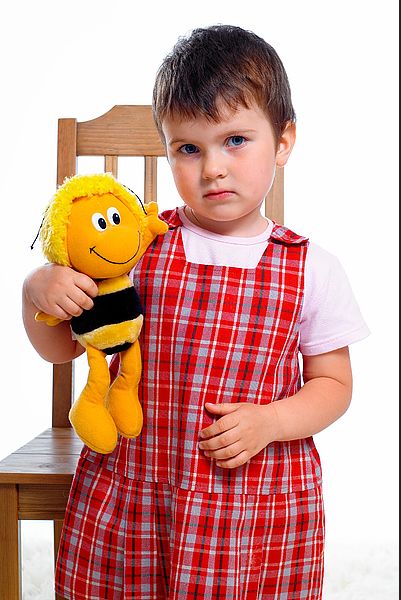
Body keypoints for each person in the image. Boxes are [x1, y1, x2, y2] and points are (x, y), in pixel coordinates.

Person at [22, 24, 369, 600]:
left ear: (283, 142)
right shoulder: (132, 247)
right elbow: (59, 349)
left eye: (236, 140)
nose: (212, 168)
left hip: (250, 505)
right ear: (168, 150)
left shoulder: (312, 268)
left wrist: (273, 421)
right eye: (189, 148)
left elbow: (334, 384)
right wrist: (38, 291)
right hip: (135, 493)